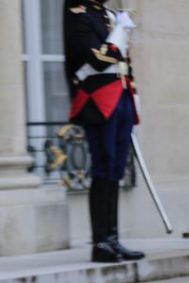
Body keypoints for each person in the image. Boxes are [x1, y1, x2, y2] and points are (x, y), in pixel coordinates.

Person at [63, 0, 144, 262]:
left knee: (116, 170)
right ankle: (100, 243)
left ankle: (113, 239)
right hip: (98, 100)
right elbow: (97, 59)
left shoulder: (106, 14)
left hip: (120, 97)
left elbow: (124, 63)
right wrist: (120, 33)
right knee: (104, 167)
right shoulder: (78, 14)